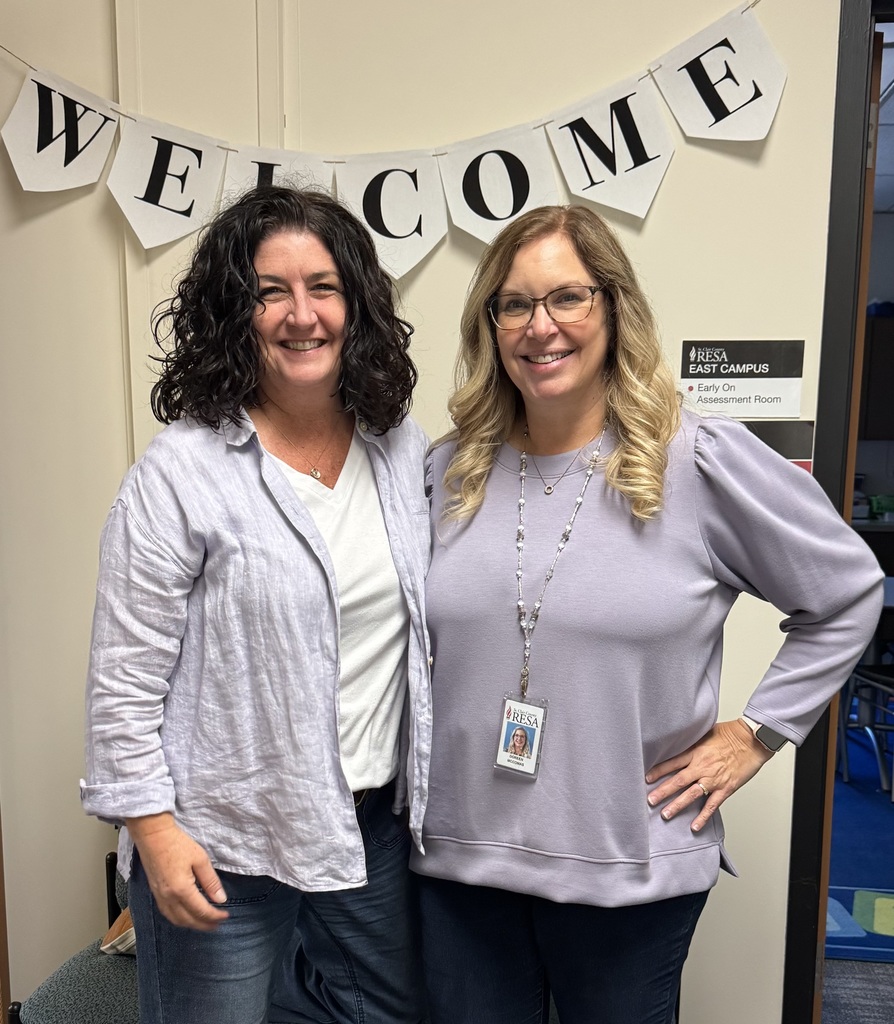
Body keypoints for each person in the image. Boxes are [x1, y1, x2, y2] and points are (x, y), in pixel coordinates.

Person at [412, 204, 884, 1024]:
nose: (540, 326)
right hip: (457, 868)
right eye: (514, 303)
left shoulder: (696, 461)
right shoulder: (448, 472)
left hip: (627, 871)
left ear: (614, 306)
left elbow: (847, 590)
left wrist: (758, 732)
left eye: (568, 297)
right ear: (489, 325)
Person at [80, 185, 431, 1024]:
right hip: (222, 837)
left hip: (368, 823)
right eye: (270, 292)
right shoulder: (181, 472)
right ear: (235, 313)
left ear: (357, 305)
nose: (299, 314)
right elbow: (124, 676)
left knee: (389, 1011)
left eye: (323, 287)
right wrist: (155, 837)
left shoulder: (397, 446)